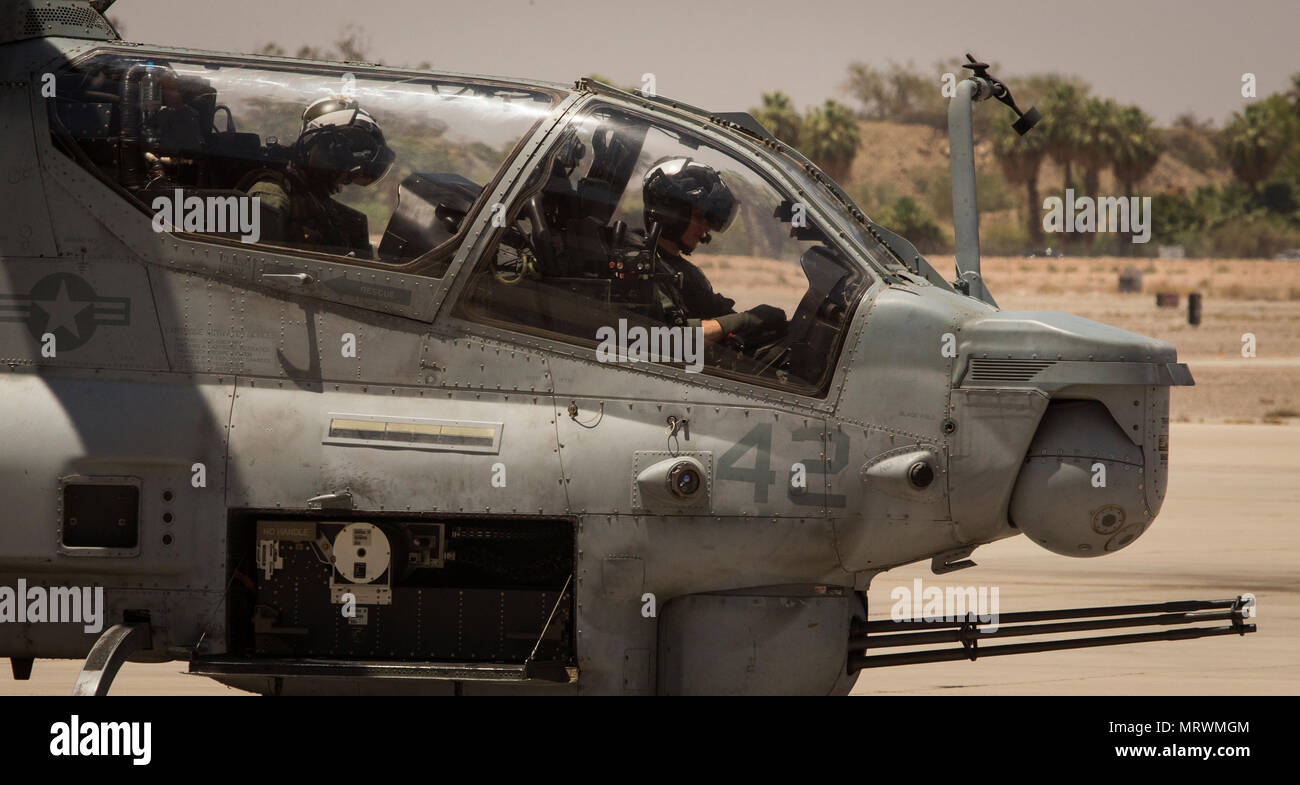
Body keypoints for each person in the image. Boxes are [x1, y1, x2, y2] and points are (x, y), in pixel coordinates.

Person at [640, 156, 785, 345]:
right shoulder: (644, 268)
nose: (705, 228)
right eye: (700, 217)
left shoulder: (685, 272)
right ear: (673, 213)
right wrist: (746, 320)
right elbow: (671, 337)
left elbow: (716, 311)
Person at [243, 96, 394, 257]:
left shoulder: (323, 206)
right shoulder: (271, 194)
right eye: (343, 167)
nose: (346, 180)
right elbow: (253, 262)